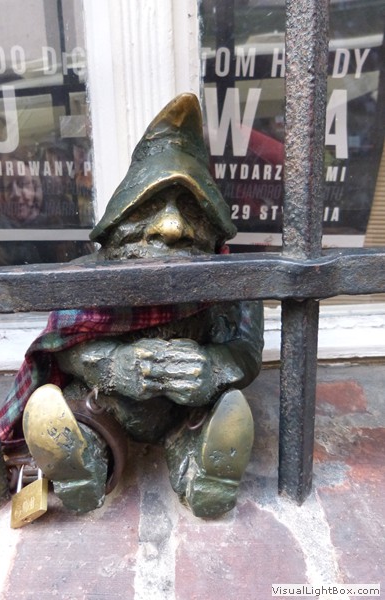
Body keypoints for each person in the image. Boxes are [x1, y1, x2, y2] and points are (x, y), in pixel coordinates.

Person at [22, 93, 264, 519]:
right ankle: (82, 463)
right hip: (107, 402)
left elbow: (246, 352)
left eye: (191, 209)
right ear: (120, 217)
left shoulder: (234, 282)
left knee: (211, 414)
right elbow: (63, 346)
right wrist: (114, 366)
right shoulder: (84, 277)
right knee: (81, 412)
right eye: (150, 207)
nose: (171, 226)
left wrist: (212, 369)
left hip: (185, 408)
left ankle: (203, 468)